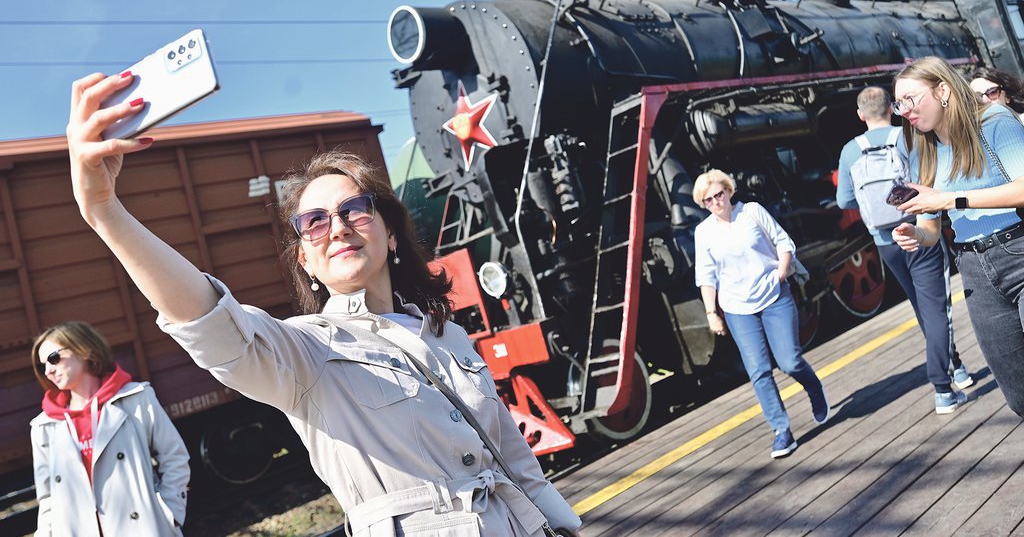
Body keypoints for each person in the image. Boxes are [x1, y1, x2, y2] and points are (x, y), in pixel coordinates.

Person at [66, 71, 581, 536]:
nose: (336, 226)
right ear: (306, 262)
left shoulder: (447, 335)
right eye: (313, 221)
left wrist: (564, 525)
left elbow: (517, 462)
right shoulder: (306, 354)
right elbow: (209, 322)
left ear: (391, 235)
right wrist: (105, 213)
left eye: (354, 209)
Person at [890, 56, 1024, 420]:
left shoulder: (995, 122)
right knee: (1018, 394)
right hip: (975, 272)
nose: (904, 111)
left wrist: (950, 199)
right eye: (898, 103)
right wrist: (915, 233)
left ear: (944, 90)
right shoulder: (925, 149)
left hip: (1019, 249)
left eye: (911, 99)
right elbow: (932, 228)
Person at [835, 86, 973, 414]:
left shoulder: (849, 151)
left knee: (921, 306)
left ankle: (954, 366)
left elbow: (844, 201)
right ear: (892, 108)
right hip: (920, 231)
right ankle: (944, 385)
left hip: (886, 242)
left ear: (859, 115)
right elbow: (932, 178)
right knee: (937, 307)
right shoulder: (908, 137)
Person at [693, 169, 830, 459]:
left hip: (773, 295)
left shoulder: (752, 212)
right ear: (703, 204)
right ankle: (782, 430)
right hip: (737, 307)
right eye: (708, 200)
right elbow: (706, 275)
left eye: (719, 194)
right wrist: (711, 313)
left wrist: (782, 271)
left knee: (790, 361)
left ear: (729, 191)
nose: (716, 202)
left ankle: (814, 388)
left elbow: (783, 242)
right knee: (758, 370)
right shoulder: (703, 232)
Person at [29, 320, 190, 536]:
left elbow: (174, 457)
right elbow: (48, 496)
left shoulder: (136, 399)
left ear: (84, 350)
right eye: (42, 365)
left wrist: (170, 514)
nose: (48, 370)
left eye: (53, 358)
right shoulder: (44, 426)